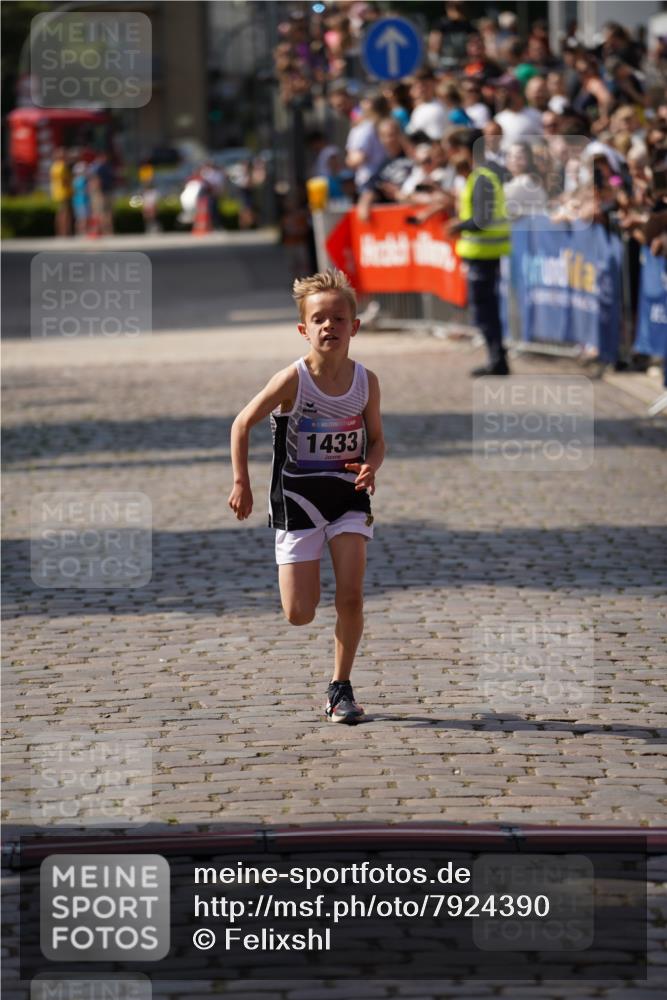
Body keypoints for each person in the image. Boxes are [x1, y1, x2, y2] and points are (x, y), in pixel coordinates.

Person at [228, 268, 385, 724]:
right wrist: (242, 482)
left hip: (347, 499)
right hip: (296, 501)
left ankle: (341, 688)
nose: (329, 326)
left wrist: (371, 465)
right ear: (304, 329)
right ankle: (303, 584)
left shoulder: (366, 382)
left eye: (338, 318)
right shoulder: (292, 379)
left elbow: (377, 439)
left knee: (351, 598)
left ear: (354, 326)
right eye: (319, 319)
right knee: (299, 612)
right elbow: (241, 424)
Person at [446, 133, 512, 376]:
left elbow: (481, 220)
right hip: (485, 252)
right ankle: (497, 359)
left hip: (483, 253)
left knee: (485, 311)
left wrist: (458, 226)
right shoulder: (485, 174)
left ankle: (497, 361)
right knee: (487, 310)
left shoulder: (482, 177)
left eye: (454, 148)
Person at [49, 149, 72, 237]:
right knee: (65, 213)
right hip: (64, 192)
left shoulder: (54, 166)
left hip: (57, 192)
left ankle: (60, 232)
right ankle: (65, 232)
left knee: (59, 213)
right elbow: (65, 181)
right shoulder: (62, 166)